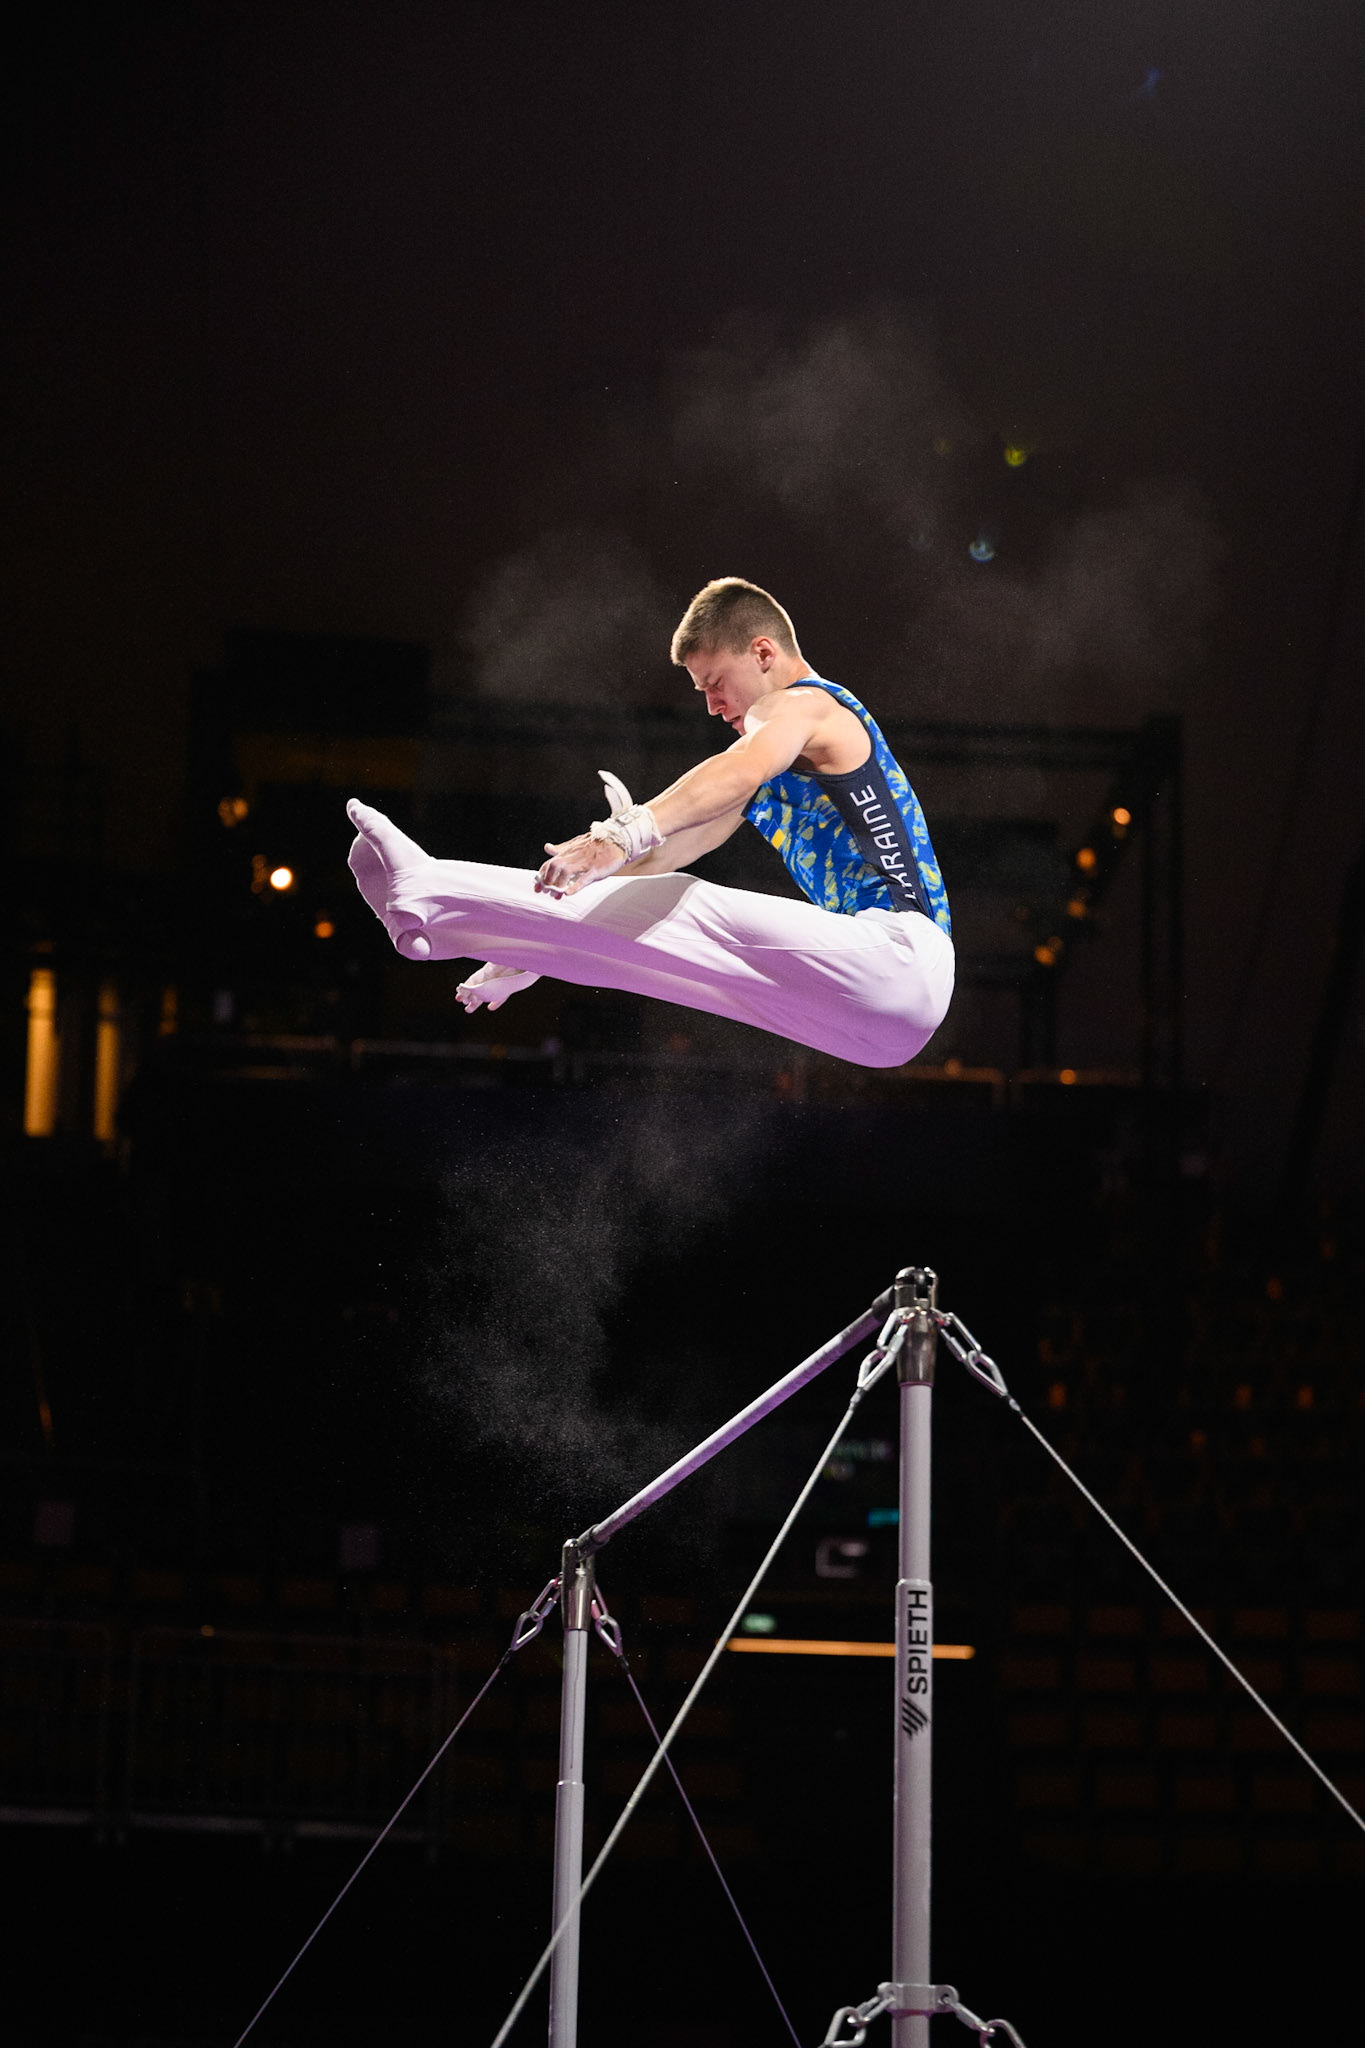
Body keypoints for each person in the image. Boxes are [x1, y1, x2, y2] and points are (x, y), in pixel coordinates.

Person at [346, 577, 953, 1068]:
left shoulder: (805, 705)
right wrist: (528, 952)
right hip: (880, 1031)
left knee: (684, 903)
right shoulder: (768, 779)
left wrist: (621, 832)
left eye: (715, 683)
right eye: (701, 692)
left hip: (901, 957)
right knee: (658, 950)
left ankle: (429, 886)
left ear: (763, 653)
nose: (713, 705)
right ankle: (448, 925)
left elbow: (736, 769)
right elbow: (658, 859)